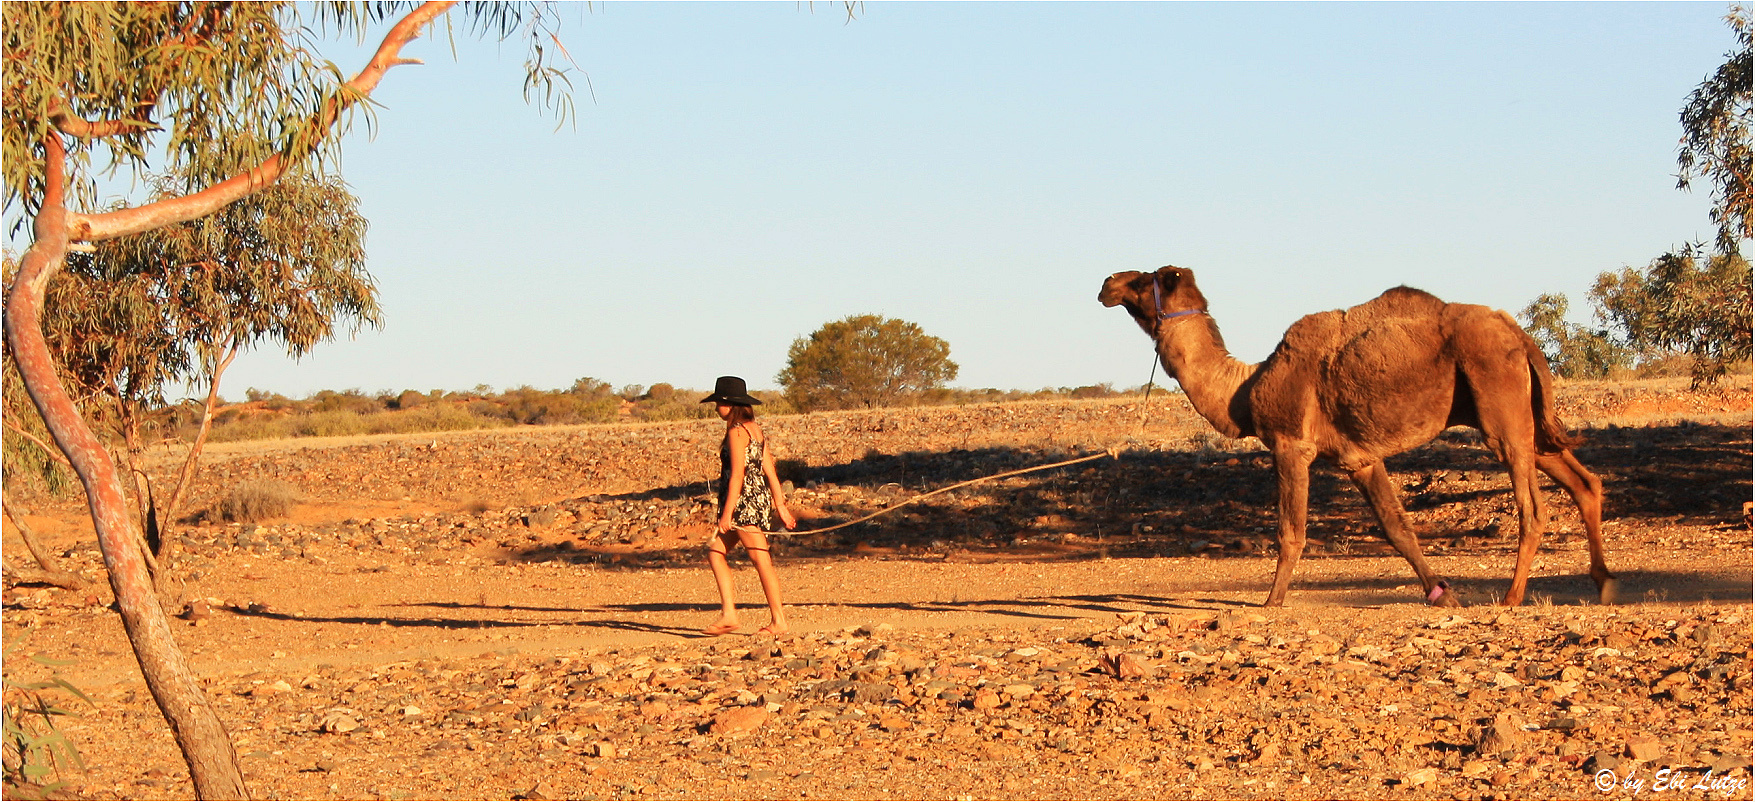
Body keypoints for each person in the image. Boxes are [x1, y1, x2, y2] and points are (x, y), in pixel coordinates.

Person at [699, 376, 797, 637]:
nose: (716, 408)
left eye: (719, 402)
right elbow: (770, 471)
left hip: (744, 503)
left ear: (729, 404)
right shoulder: (755, 428)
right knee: (715, 551)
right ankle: (729, 614)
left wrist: (727, 513)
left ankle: (778, 620)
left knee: (760, 558)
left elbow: (738, 476)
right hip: (757, 500)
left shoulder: (737, 431)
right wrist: (780, 506)